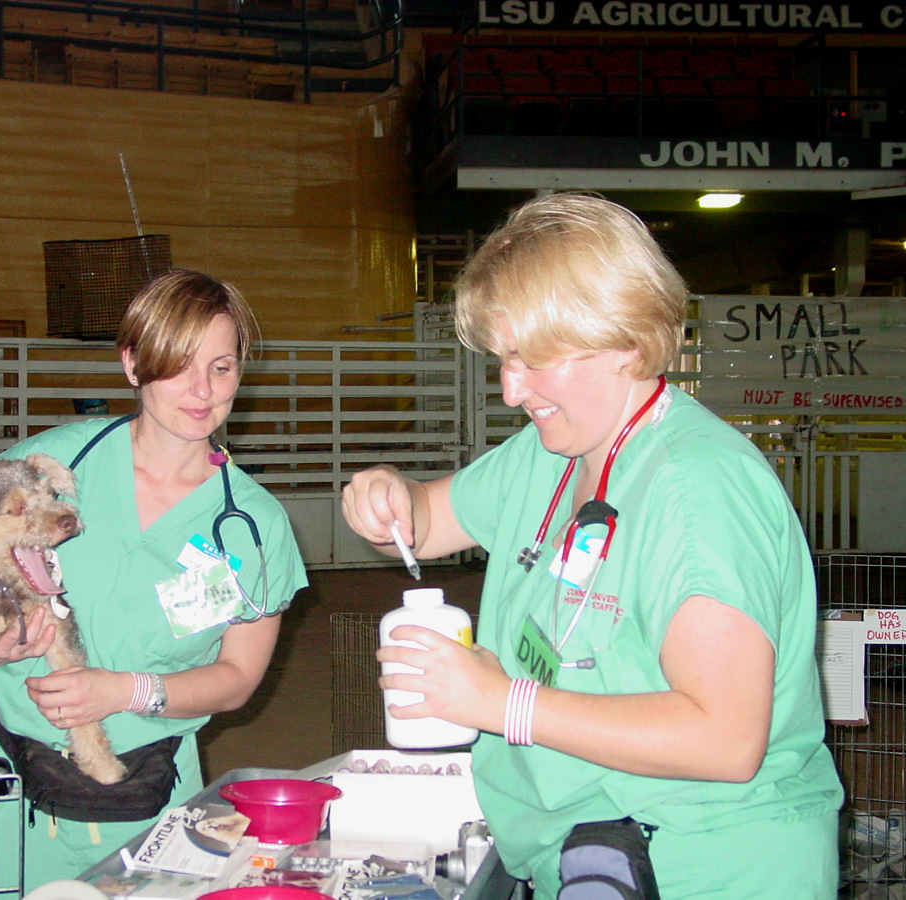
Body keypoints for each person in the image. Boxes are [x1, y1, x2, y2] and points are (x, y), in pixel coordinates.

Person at [342, 193, 842, 899]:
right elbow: (428, 516)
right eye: (502, 358)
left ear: (628, 341)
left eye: (535, 359)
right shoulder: (555, 451)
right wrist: (390, 494)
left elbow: (725, 739)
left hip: (703, 865)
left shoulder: (698, 495)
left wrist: (501, 703)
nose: (512, 389)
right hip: (589, 857)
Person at [0, 268, 308, 895]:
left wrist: (126, 690)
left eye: (222, 367)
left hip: (142, 790)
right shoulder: (49, 467)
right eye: (179, 364)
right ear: (132, 364)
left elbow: (236, 680)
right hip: (6, 785)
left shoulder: (253, 526)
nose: (202, 390)